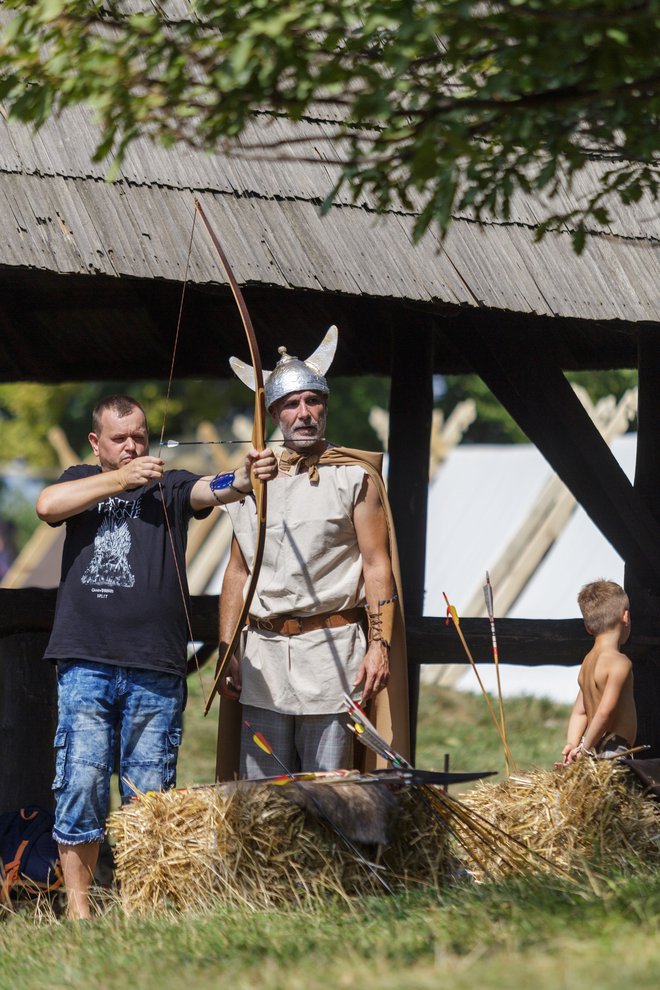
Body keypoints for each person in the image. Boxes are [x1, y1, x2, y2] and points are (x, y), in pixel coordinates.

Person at [36, 393, 276, 918]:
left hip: (155, 667)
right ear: (96, 444)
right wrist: (123, 478)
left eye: (139, 436)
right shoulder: (81, 479)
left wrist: (245, 474)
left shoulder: (168, 485)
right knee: (81, 785)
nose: (132, 446)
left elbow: (216, 489)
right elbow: (47, 506)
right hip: (86, 663)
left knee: (151, 800)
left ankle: (140, 911)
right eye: (119, 439)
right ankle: (79, 917)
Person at [216, 326, 410, 779]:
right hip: (263, 664)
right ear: (274, 415)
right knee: (263, 806)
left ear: (325, 406)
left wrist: (379, 646)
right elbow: (236, 573)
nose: (304, 413)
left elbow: (377, 564)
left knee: (331, 797)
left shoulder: (353, 477)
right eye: (290, 404)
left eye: (312, 401)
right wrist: (228, 650)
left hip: (332, 661)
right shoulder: (250, 482)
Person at [560, 579, 636, 765]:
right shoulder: (620, 662)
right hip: (614, 750)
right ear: (625, 617)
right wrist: (584, 748)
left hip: (595, 749)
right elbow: (605, 712)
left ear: (588, 627)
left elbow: (580, 712)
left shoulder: (588, 662)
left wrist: (573, 743)